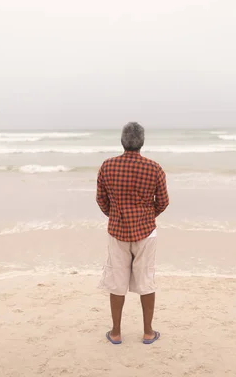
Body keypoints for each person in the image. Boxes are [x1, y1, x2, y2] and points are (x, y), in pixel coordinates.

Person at [96, 122, 170, 345]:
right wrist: (147, 216)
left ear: (122, 141)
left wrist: (115, 214)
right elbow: (164, 202)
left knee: (117, 282)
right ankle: (148, 332)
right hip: (146, 233)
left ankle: (116, 333)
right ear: (142, 142)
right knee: (146, 280)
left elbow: (101, 200)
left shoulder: (107, 167)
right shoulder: (154, 168)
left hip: (117, 232)